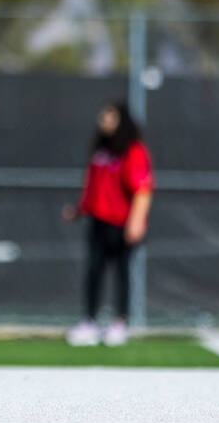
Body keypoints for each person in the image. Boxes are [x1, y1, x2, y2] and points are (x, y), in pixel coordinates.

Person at [62, 101, 155, 347]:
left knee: (123, 273)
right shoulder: (101, 151)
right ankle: (89, 321)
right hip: (98, 220)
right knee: (94, 271)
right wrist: (79, 210)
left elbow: (143, 190)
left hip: (122, 223)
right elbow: (92, 186)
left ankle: (120, 322)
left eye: (108, 116)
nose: (103, 120)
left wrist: (136, 222)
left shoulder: (133, 150)